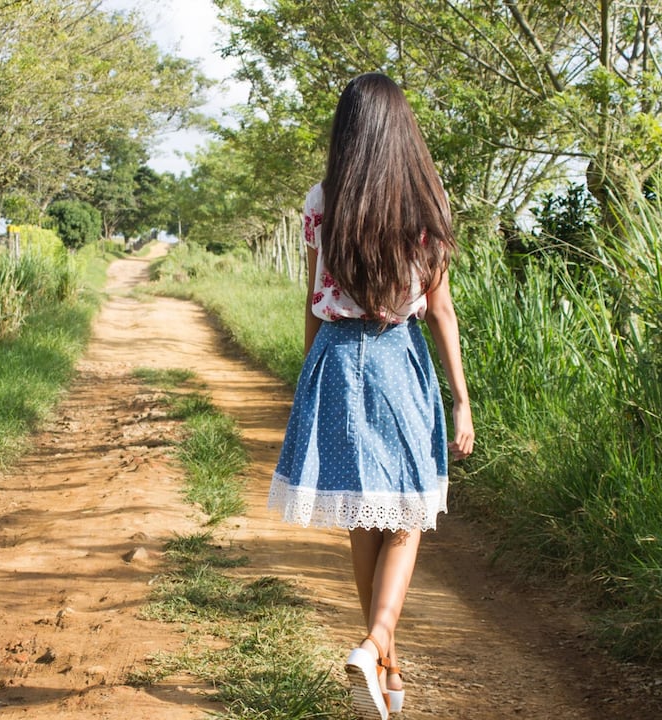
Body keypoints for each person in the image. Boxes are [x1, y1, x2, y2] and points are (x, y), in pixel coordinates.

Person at [267, 72, 474, 719]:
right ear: (402, 130)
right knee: (407, 516)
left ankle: (385, 670)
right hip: (396, 358)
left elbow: (311, 299)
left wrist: (308, 378)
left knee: (366, 516)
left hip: (334, 357)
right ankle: (377, 641)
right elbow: (439, 309)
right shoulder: (425, 200)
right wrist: (462, 399)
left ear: (348, 133)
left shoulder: (323, 198)